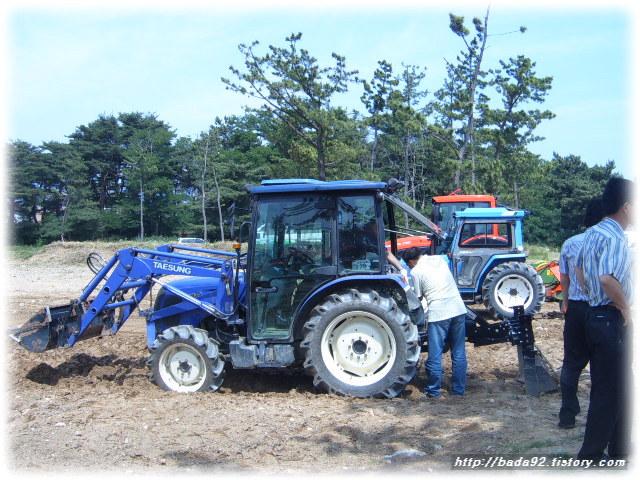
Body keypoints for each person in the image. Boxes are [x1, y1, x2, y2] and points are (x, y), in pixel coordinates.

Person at [575, 177, 634, 463]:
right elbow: (606, 278)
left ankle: (620, 447)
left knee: (619, 386)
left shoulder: (593, 234)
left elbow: (582, 276)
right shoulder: (613, 238)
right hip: (611, 319)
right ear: (626, 206)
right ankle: (591, 455)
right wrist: (625, 309)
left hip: (595, 316)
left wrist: (597, 299)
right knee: (609, 391)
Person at [557, 197, 603, 429]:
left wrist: (566, 304)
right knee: (600, 365)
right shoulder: (609, 241)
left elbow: (563, 279)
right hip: (600, 308)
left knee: (571, 364)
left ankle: (567, 415)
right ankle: (598, 417)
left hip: (575, 308)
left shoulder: (570, 243)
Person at [402, 247, 467, 397]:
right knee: (459, 353)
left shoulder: (416, 271)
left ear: (411, 262)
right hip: (458, 309)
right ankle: (458, 390)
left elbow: (418, 296)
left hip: (439, 313)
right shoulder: (439, 259)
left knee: (435, 354)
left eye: (409, 265)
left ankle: (433, 390)